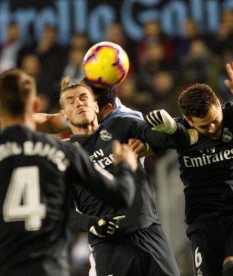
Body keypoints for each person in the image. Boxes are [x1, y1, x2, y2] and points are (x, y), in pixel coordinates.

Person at [0, 69, 139, 276]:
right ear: (35, 106)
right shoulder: (64, 153)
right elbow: (121, 195)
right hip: (49, 269)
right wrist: (125, 165)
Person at [145, 60, 233, 275]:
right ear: (189, 120)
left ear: (218, 103)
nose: (213, 128)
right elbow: (141, 146)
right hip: (202, 222)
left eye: (215, 120)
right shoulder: (179, 132)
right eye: (204, 126)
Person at [59, 77, 180, 276]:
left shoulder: (123, 126)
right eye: (71, 101)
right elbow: (61, 212)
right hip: (109, 246)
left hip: (149, 232)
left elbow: (168, 140)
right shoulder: (63, 153)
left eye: (83, 97)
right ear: (63, 115)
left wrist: (170, 128)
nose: (79, 102)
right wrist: (91, 224)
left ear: (96, 106)